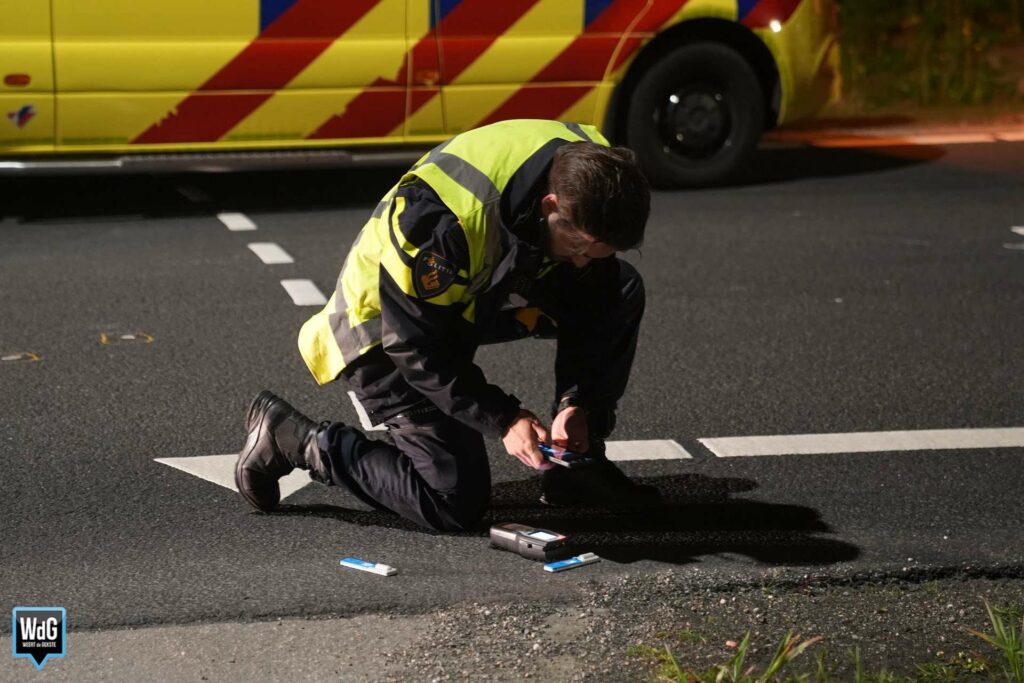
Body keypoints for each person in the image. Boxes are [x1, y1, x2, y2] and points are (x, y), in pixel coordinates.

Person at [235, 118, 659, 532]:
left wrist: (577, 402)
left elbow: (595, 287)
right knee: (453, 502)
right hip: (387, 328)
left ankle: (576, 468)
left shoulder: (600, 171)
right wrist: (504, 418)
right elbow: (416, 347)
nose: (582, 261)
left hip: (480, 291)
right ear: (552, 205)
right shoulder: (440, 223)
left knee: (618, 289)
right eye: (579, 246)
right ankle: (298, 440)